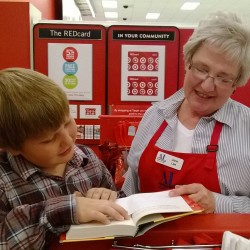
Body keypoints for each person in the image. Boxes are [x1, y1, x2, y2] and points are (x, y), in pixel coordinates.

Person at [122, 11, 250, 214]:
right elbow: (130, 189)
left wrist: (218, 203)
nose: (208, 86)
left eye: (223, 78)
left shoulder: (247, 128)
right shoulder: (154, 117)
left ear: (236, 84)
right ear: (187, 63)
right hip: (148, 244)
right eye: (201, 69)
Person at [0, 68, 128, 249]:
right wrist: (62, 210)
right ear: (13, 147)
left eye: (68, 122)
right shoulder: (4, 181)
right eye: (48, 140)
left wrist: (110, 197)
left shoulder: (88, 159)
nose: (68, 141)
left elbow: (119, 206)